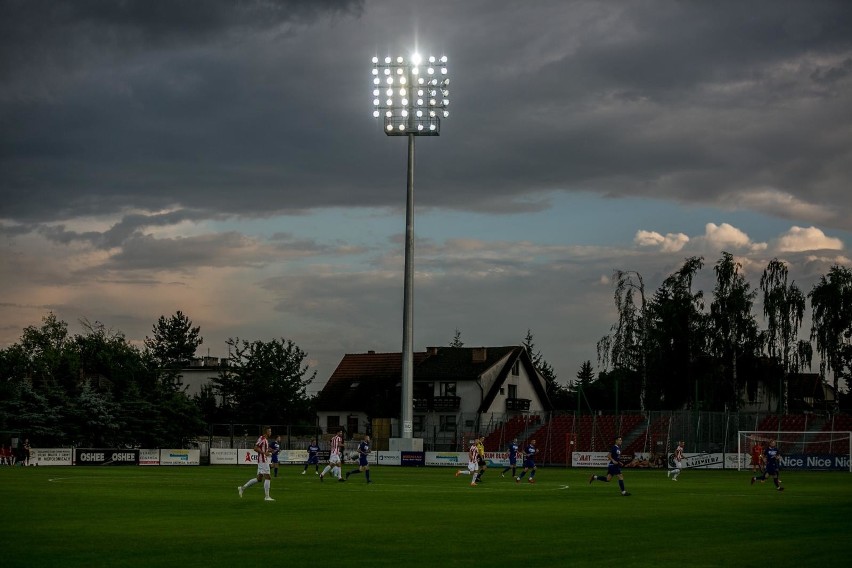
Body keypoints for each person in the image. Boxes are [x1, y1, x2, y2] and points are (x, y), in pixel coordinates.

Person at [237, 426, 275, 501]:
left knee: (259, 479)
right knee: (268, 477)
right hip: (263, 461)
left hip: (263, 460)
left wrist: (269, 451)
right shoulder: (262, 438)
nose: (270, 432)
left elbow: (263, 449)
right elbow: (255, 448)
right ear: (266, 432)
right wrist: (265, 453)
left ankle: (242, 488)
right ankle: (267, 497)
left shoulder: (266, 440)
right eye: (269, 431)